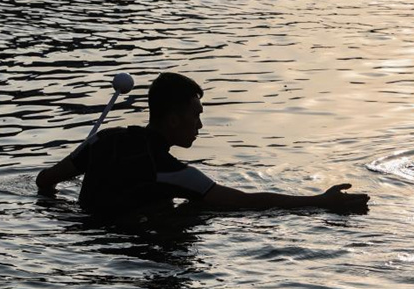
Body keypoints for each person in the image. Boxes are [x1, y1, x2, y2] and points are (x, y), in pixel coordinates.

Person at [36, 72, 370, 216]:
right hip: (132, 242)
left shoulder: (101, 140)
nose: (200, 124)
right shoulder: (173, 172)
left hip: (87, 244)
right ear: (172, 120)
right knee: (196, 212)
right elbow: (245, 201)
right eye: (196, 115)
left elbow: (44, 182)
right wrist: (319, 201)